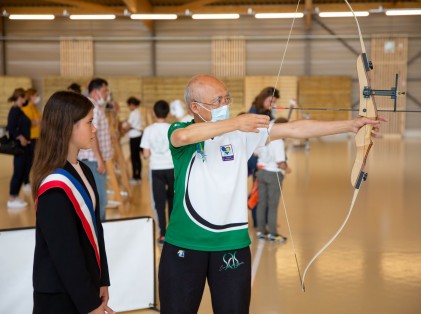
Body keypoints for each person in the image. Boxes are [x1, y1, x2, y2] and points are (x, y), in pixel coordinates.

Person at [159, 74, 383, 314]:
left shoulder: (242, 135)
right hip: (184, 244)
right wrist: (237, 122)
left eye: (227, 98)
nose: (225, 105)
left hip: (231, 245)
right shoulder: (181, 130)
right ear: (195, 106)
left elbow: (295, 129)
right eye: (217, 101)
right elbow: (182, 138)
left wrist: (349, 125)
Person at [31, 91, 113, 314]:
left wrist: (101, 279)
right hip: (59, 295)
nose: (94, 129)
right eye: (89, 122)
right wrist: (90, 304)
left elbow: (96, 231)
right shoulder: (54, 185)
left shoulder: (84, 170)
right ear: (68, 127)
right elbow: (65, 253)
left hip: (84, 286)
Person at [78, 78, 113, 221]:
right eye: (104, 91)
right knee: (99, 199)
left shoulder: (94, 107)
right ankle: (98, 233)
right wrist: (99, 160)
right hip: (92, 160)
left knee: (95, 197)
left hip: (92, 159)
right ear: (95, 91)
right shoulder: (92, 108)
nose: (106, 94)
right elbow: (92, 135)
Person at [140, 100, 174, 244]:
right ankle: (174, 233)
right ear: (169, 113)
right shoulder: (173, 128)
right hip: (172, 168)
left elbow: (146, 154)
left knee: (159, 203)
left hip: (156, 169)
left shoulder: (148, 130)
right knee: (173, 200)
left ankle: (163, 234)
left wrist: (146, 154)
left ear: (153, 113)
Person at [255, 117, 291, 242]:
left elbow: (255, 153)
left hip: (261, 172)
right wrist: (287, 169)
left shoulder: (262, 137)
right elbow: (280, 162)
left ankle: (261, 231)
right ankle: (273, 233)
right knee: (272, 205)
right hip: (273, 174)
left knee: (262, 203)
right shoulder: (278, 140)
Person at [6, 88, 31, 209]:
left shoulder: (19, 110)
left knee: (23, 171)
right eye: (25, 97)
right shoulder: (15, 110)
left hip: (25, 146)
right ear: (20, 97)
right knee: (18, 172)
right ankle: (11, 198)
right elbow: (10, 127)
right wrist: (20, 137)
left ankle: (15, 196)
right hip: (20, 146)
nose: (26, 100)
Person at [21, 88, 42, 193]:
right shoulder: (26, 109)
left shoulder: (34, 108)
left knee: (35, 161)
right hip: (31, 138)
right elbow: (26, 124)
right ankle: (26, 182)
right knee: (29, 161)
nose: (38, 97)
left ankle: (32, 181)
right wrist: (36, 122)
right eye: (36, 95)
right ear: (31, 96)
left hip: (37, 138)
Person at [123, 96, 143, 184]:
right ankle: (138, 176)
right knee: (137, 158)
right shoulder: (137, 112)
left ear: (132, 105)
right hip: (138, 136)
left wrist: (123, 130)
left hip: (134, 137)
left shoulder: (133, 113)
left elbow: (128, 125)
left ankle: (135, 177)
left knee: (135, 158)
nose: (128, 107)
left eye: (129, 105)